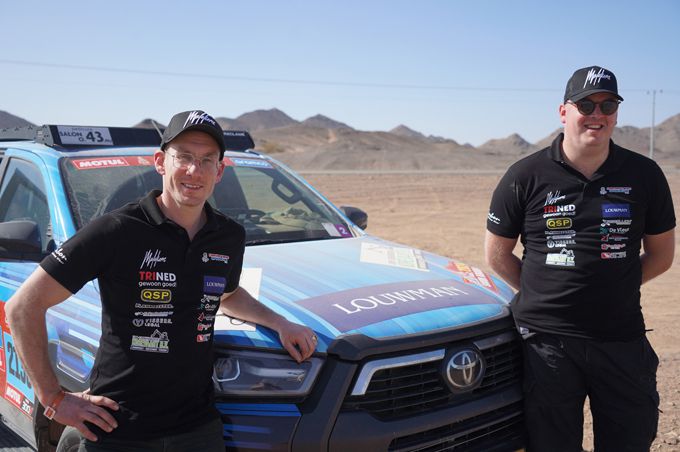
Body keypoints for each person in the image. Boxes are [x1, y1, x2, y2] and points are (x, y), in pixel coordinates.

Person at [5, 110, 317, 451]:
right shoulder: (116, 231)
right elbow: (23, 307)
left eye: (206, 160)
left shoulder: (227, 236)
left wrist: (280, 323)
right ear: (160, 162)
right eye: (183, 157)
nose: (194, 170)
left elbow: (225, 294)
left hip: (197, 429)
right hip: (117, 428)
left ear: (219, 171)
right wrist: (53, 397)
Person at [485, 66, 676, 452]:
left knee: (630, 440)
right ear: (563, 111)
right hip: (547, 345)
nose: (597, 114)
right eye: (586, 105)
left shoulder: (644, 174)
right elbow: (497, 253)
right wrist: (545, 292)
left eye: (608, 105)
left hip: (620, 337)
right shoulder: (525, 174)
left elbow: (661, 255)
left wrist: (613, 286)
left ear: (616, 114)